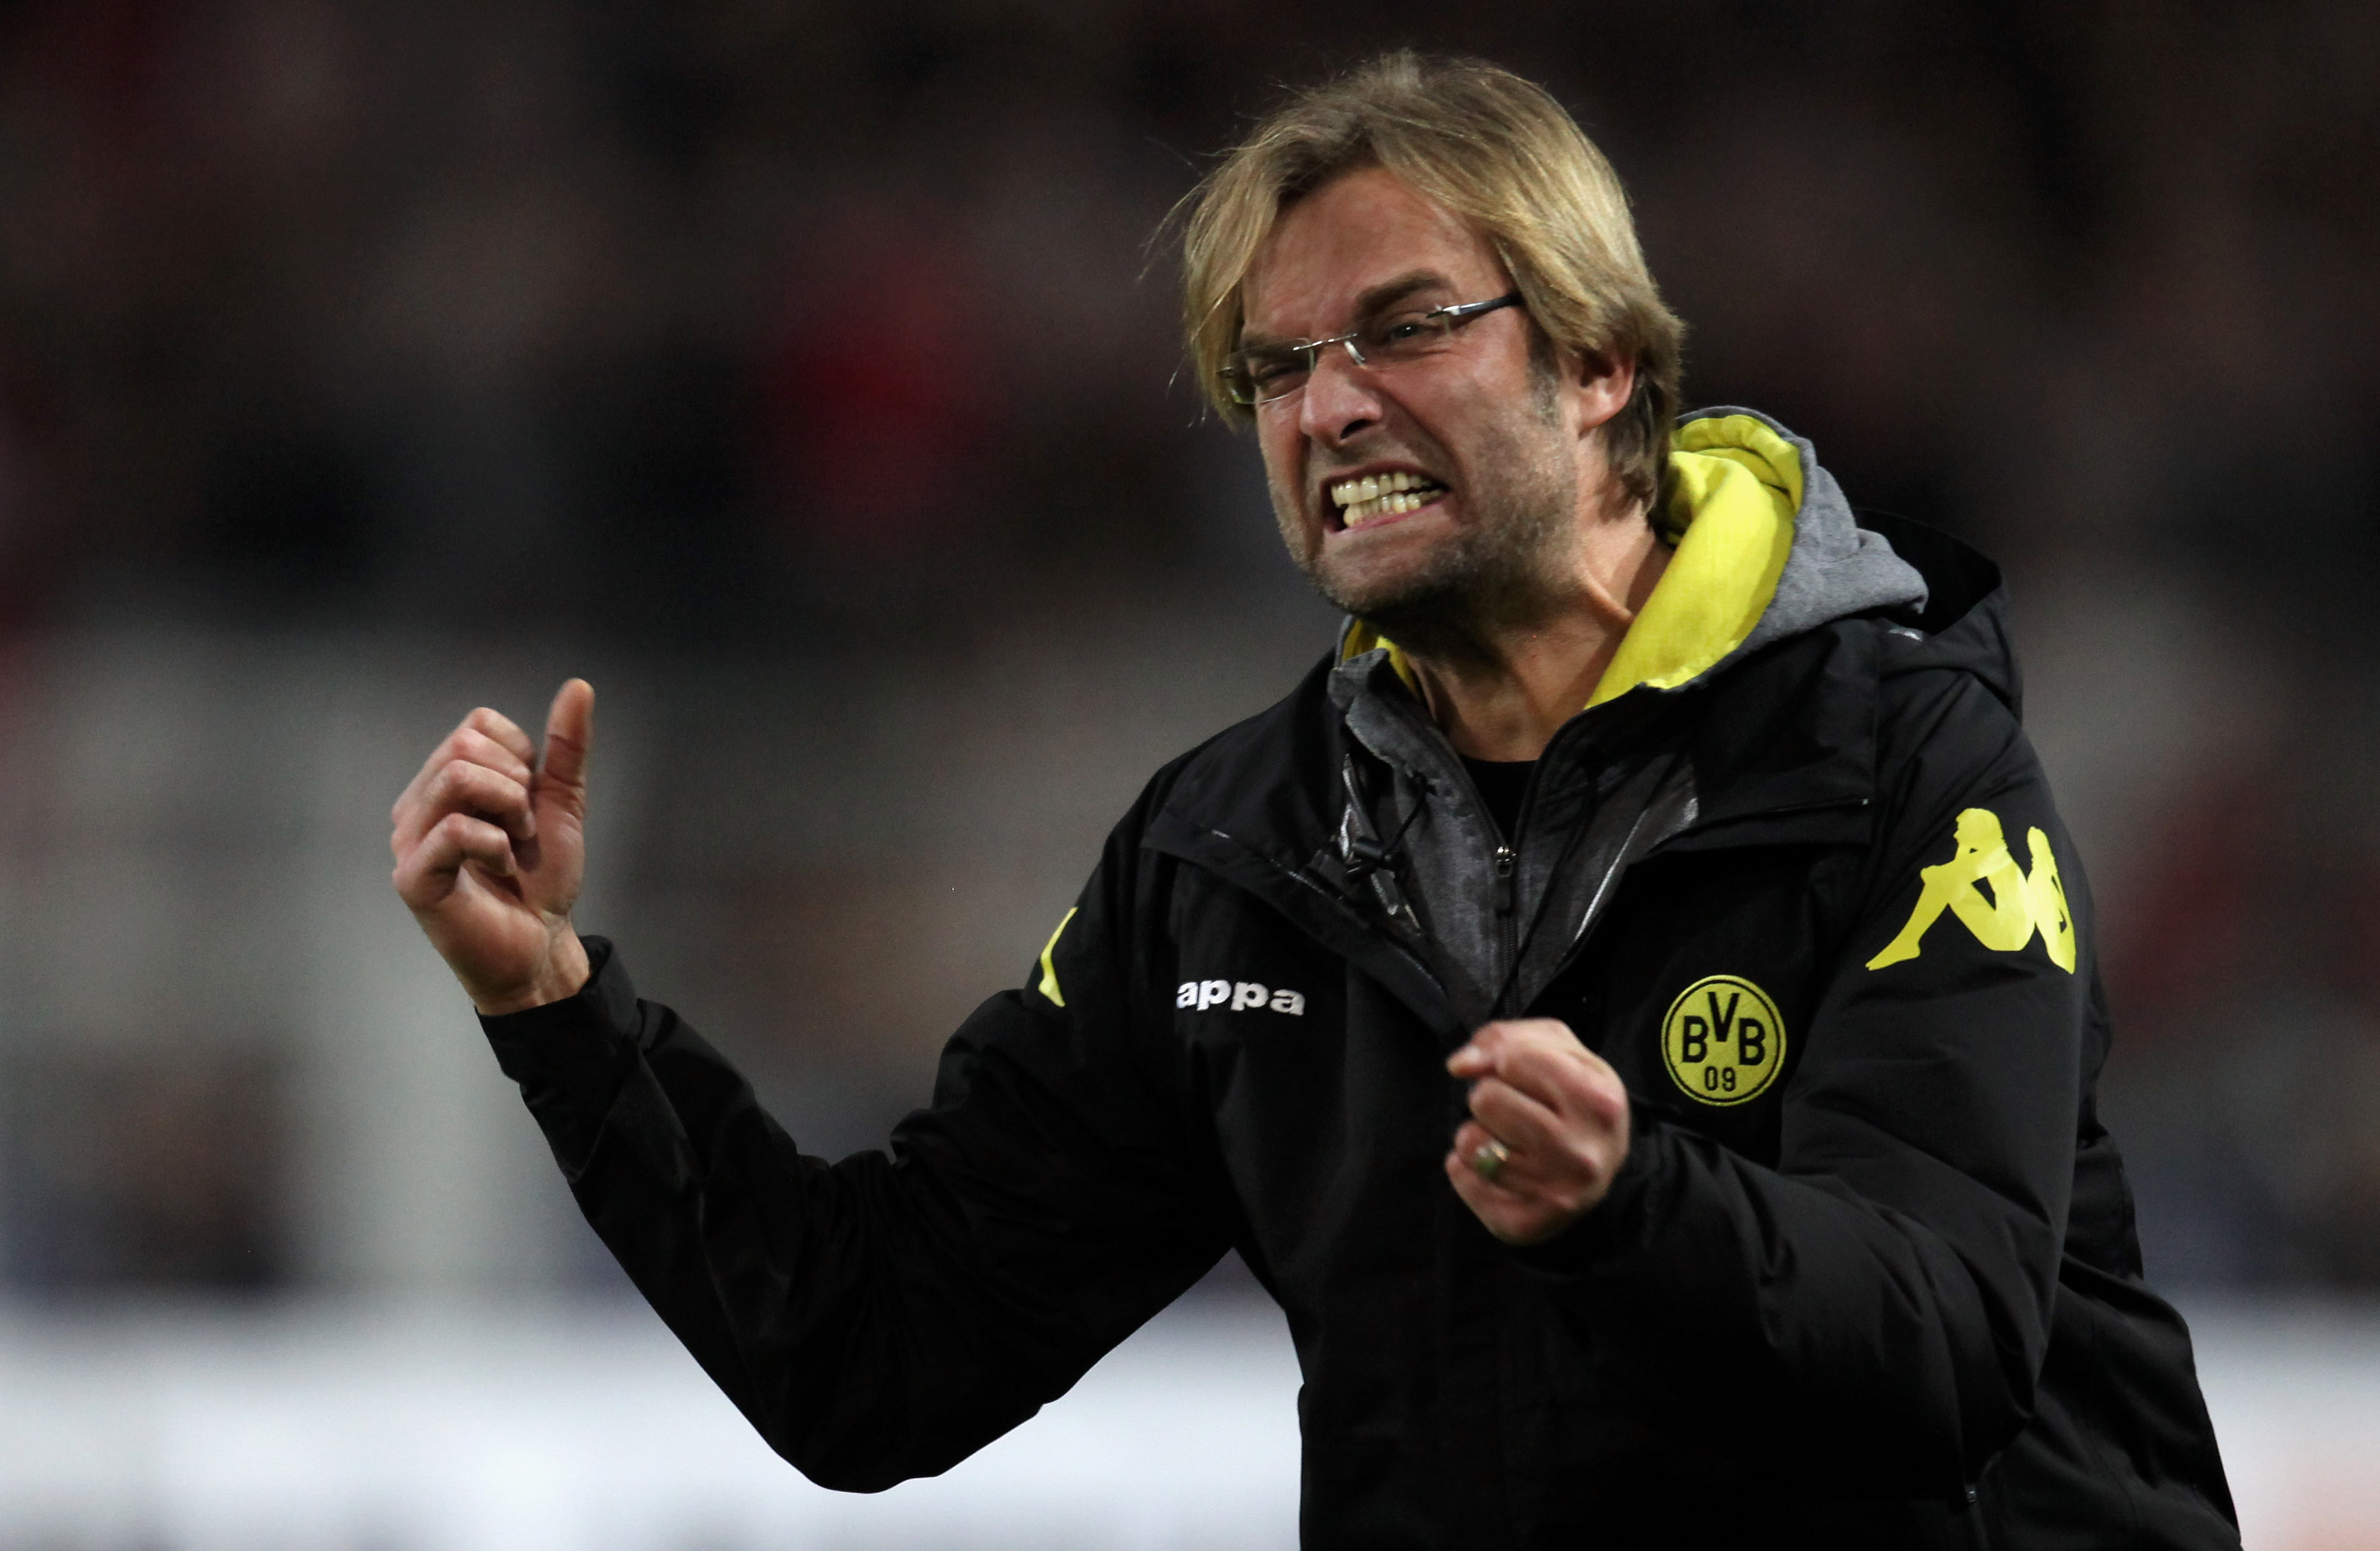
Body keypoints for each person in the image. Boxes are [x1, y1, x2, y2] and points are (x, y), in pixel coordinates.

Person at [388, 51, 2238, 1550]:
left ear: (1603, 365)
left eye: (1404, 327)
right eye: (1273, 368)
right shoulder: (1231, 859)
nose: (1326, 404)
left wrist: (1631, 1202)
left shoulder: (1900, 758)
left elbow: (1952, 1341)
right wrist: (554, 1003)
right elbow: (875, 1353)